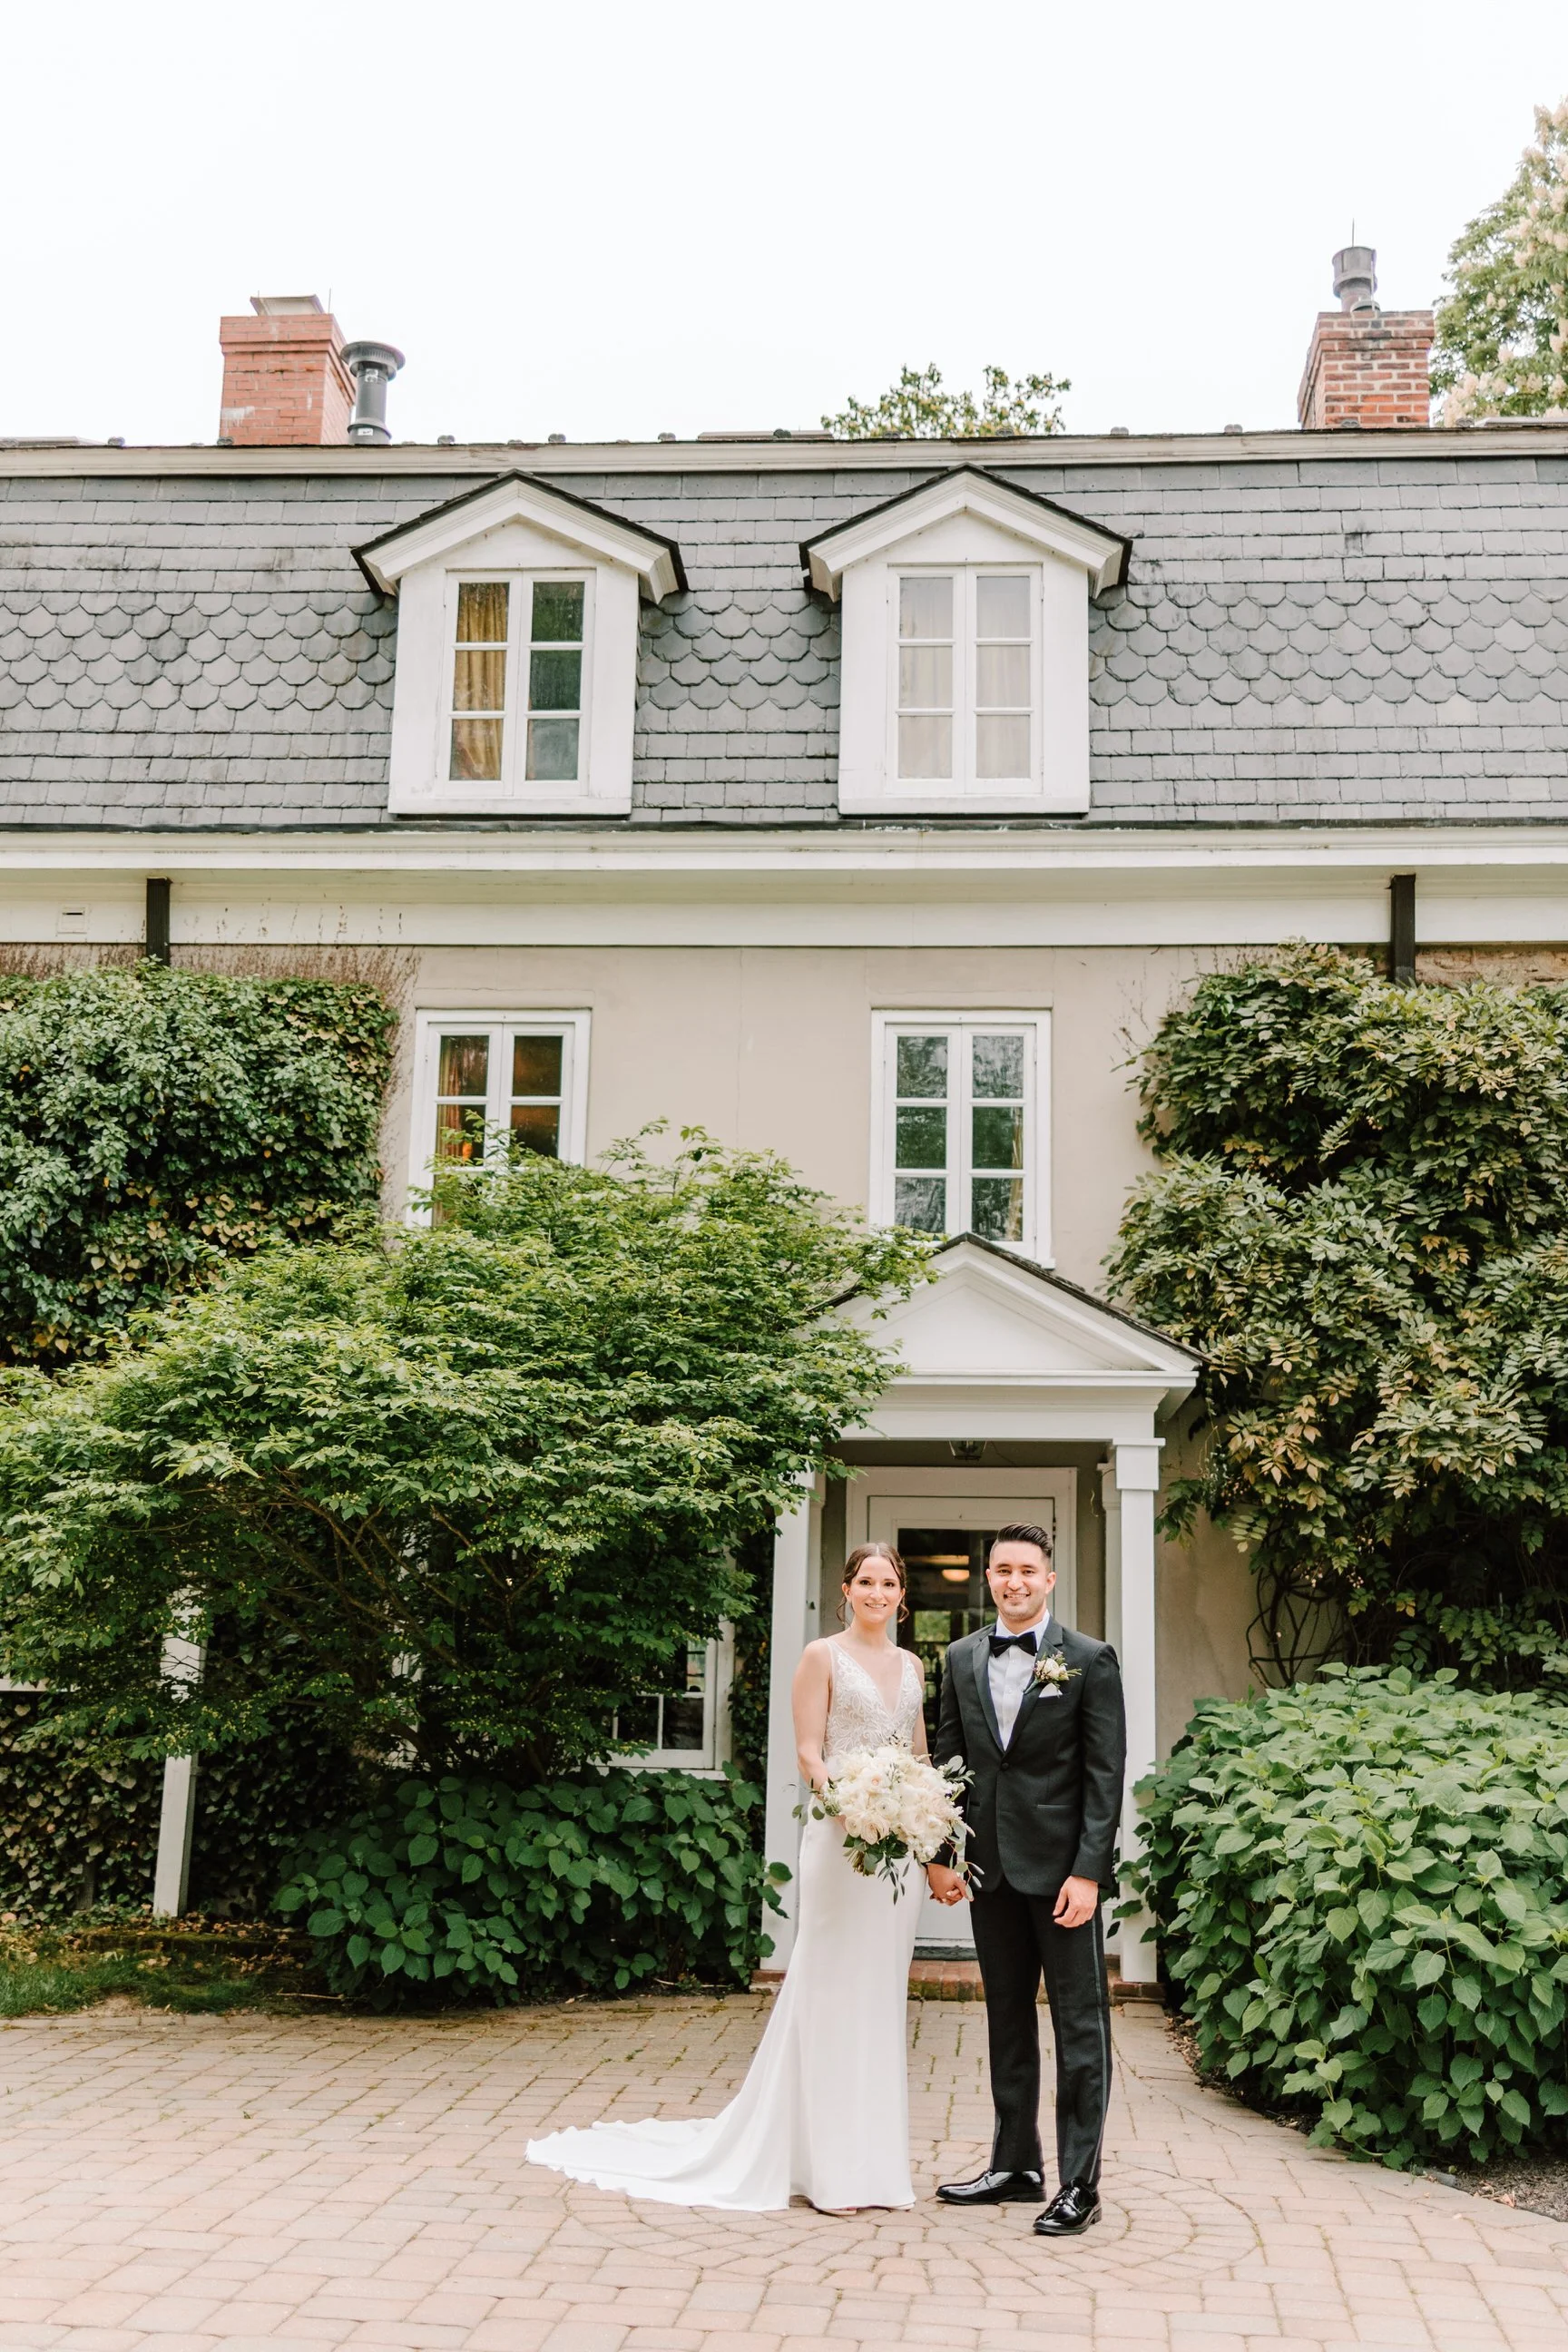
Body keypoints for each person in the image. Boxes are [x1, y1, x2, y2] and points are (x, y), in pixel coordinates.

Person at [526, 1542, 956, 2212]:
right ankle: (822, 2168)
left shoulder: (912, 1665)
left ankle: (870, 2165)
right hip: (842, 1839)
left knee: (877, 1999)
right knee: (829, 1989)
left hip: (893, 1853)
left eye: (889, 1583)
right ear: (847, 1589)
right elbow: (810, 1753)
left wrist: (925, 1820)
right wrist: (848, 1800)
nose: (878, 1593)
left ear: (903, 1595)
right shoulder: (822, 1656)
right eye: (866, 1581)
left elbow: (920, 1753)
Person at [930, 1522, 1126, 2239]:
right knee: (1006, 2020)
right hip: (993, 1872)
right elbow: (951, 1765)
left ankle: (1081, 2184)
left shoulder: (1089, 1660)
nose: (1014, 1582)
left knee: (1080, 2029)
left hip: (1063, 1877)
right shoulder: (958, 1658)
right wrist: (942, 1853)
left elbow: (1106, 1777)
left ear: (1049, 1579)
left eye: (1027, 1571)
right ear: (990, 1579)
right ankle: (1016, 2163)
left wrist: (1089, 1873)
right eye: (1002, 1570)